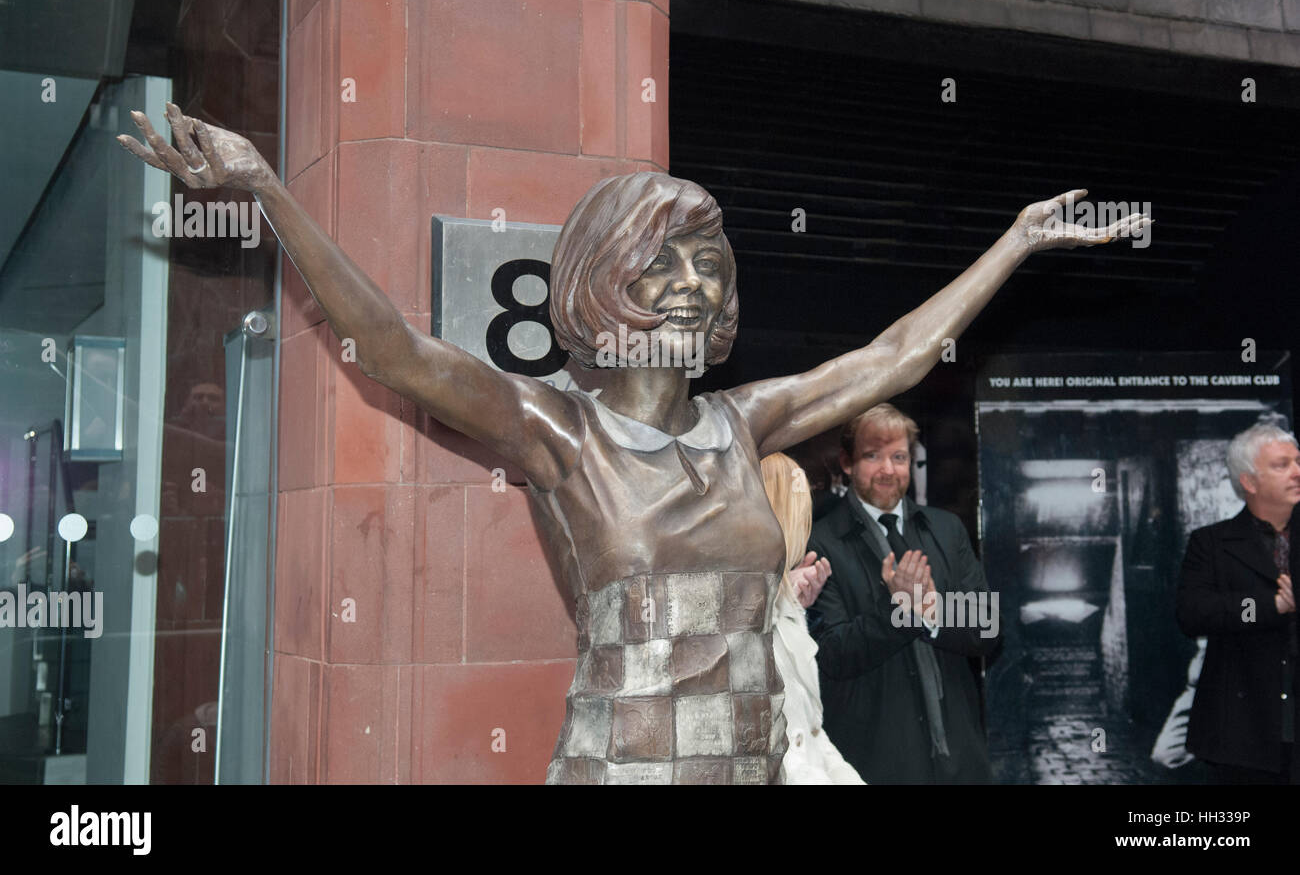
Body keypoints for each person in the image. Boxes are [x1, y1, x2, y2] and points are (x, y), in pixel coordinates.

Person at [117, 104, 1145, 784]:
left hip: (754, 763)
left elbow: (892, 355)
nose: (697, 280)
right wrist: (264, 186)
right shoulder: (555, 430)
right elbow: (390, 348)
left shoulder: (746, 421)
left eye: (711, 261)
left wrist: (1015, 239)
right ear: (605, 280)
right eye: (665, 262)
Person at [808, 404, 1001, 783]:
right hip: (873, 763)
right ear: (847, 463)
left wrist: (931, 611)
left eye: (899, 457)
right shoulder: (820, 542)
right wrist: (898, 611)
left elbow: (989, 628)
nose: (888, 470)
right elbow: (831, 655)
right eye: (872, 456)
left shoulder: (946, 530)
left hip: (961, 760)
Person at [1176, 422, 1300, 784]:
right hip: (1244, 730)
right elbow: (1192, 613)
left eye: (1298, 461)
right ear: (1249, 482)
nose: (1297, 472)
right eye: (1282, 465)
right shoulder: (1210, 543)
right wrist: (1268, 606)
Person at [760, 452, 864, 785]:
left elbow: (812, 732)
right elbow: (781, 752)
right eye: (801, 509)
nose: (807, 522)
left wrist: (791, 603)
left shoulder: (782, 606)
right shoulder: (740, 615)